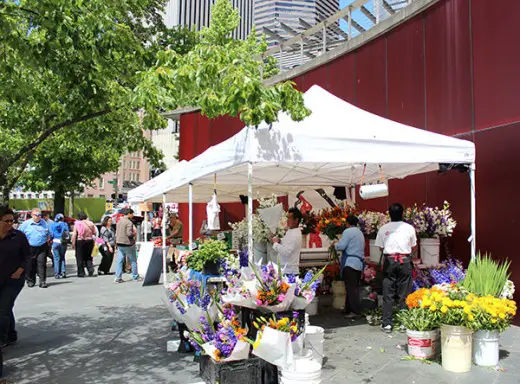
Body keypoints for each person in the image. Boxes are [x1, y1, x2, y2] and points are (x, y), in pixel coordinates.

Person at [375, 203, 417, 333]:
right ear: (402, 213)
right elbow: (413, 246)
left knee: (388, 292)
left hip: (390, 261)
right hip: (405, 261)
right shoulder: (409, 228)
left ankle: (387, 323)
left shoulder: (383, 228)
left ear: (389, 214)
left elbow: (380, 247)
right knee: (404, 293)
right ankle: (404, 323)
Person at [0, 206, 30, 349]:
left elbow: (28, 256)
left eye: (12, 221)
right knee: (5, 307)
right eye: (6, 221)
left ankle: (2, 338)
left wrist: (20, 270)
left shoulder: (18, 236)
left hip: (14, 279)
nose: (9, 224)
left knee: (3, 309)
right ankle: (11, 334)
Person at [335, 215, 365, 319]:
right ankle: (348, 309)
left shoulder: (347, 232)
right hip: (358, 263)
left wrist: (335, 245)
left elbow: (342, 246)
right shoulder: (360, 232)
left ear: (347, 223)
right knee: (352, 287)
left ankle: (355, 311)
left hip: (350, 263)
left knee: (351, 288)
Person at [18, 208, 50, 288]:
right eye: (36, 215)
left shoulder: (44, 223)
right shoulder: (26, 224)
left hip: (42, 246)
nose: (38, 217)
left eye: (40, 215)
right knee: (30, 264)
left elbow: (48, 233)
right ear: (32, 215)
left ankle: (42, 281)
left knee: (42, 263)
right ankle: (30, 280)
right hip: (30, 247)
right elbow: (19, 234)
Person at [271, 207, 302, 275]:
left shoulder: (295, 234)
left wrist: (275, 244)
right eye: (287, 218)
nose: (287, 220)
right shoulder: (291, 231)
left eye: (289, 218)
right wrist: (279, 240)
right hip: (285, 269)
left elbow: (286, 252)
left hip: (289, 272)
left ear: (296, 220)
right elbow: (287, 243)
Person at [114, 208, 141, 283]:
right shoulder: (129, 222)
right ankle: (135, 276)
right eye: (132, 214)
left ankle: (118, 277)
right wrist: (134, 234)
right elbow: (129, 233)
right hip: (128, 243)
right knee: (133, 260)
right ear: (129, 214)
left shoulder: (119, 221)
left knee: (120, 260)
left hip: (120, 243)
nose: (132, 215)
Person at [71, 212, 97, 277]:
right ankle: (90, 268)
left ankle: (81, 272)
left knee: (79, 257)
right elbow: (94, 232)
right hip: (89, 240)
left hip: (80, 241)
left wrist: (73, 243)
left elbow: (74, 234)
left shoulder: (77, 224)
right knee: (88, 256)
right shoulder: (90, 223)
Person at [50, 214, 69, 279]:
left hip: (55, 242)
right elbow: (67, 233)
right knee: (62, 257)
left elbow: (51, 234)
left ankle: (57, 273)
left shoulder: (53, 225)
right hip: (63, 242)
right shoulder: (65, 224)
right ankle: (63, 272)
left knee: (56, 258)